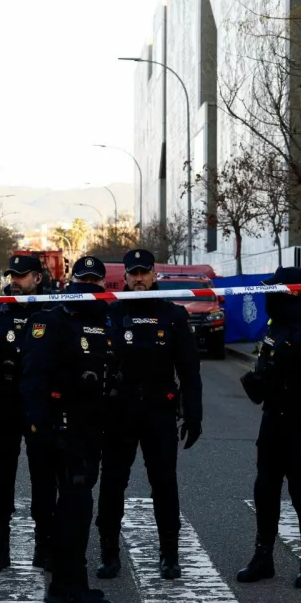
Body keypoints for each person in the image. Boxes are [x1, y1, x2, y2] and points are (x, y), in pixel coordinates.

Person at [95, 248, 202, 581]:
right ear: (124, 277)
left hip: (159, 409)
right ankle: (109, 555)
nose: (139, 278)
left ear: (154, 275)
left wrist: (194, 413)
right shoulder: (110, 313)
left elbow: (189, 369)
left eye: (144, 272)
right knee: (112, 484)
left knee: (164, 485)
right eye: (133, 273)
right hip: (118, 411)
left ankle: (169, 556)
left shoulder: (173, 314)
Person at [22, 255, 115, 603]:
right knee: (76, 507)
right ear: (71, 281)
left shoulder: (105, 322)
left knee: (74, 504)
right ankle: (76, 592)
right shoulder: (50, 322)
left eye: (95, 281)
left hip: (91, 426)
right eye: (83, 280)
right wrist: (38, 427)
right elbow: (33, 379)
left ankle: (61, 583)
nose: (89, 287)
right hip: (60, 426)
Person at [236, 267, 301, 589]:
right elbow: (268, 366)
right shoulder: (275, 327)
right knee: (265, 490)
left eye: (274, 290)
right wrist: (260, 384)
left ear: (292, 293)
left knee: (300, 492)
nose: (268, 296)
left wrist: (271, 387)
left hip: (298, 426)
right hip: (272, 423)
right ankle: (263, 558)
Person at [0, 254, 57, 573]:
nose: (15, 280)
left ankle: (44, 546)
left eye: (23, 275)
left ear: (37, 279)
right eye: (12, 274)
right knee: (1, 477)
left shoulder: (51, 311)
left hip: (40, 404)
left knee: (44, 476)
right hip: (3, 401)